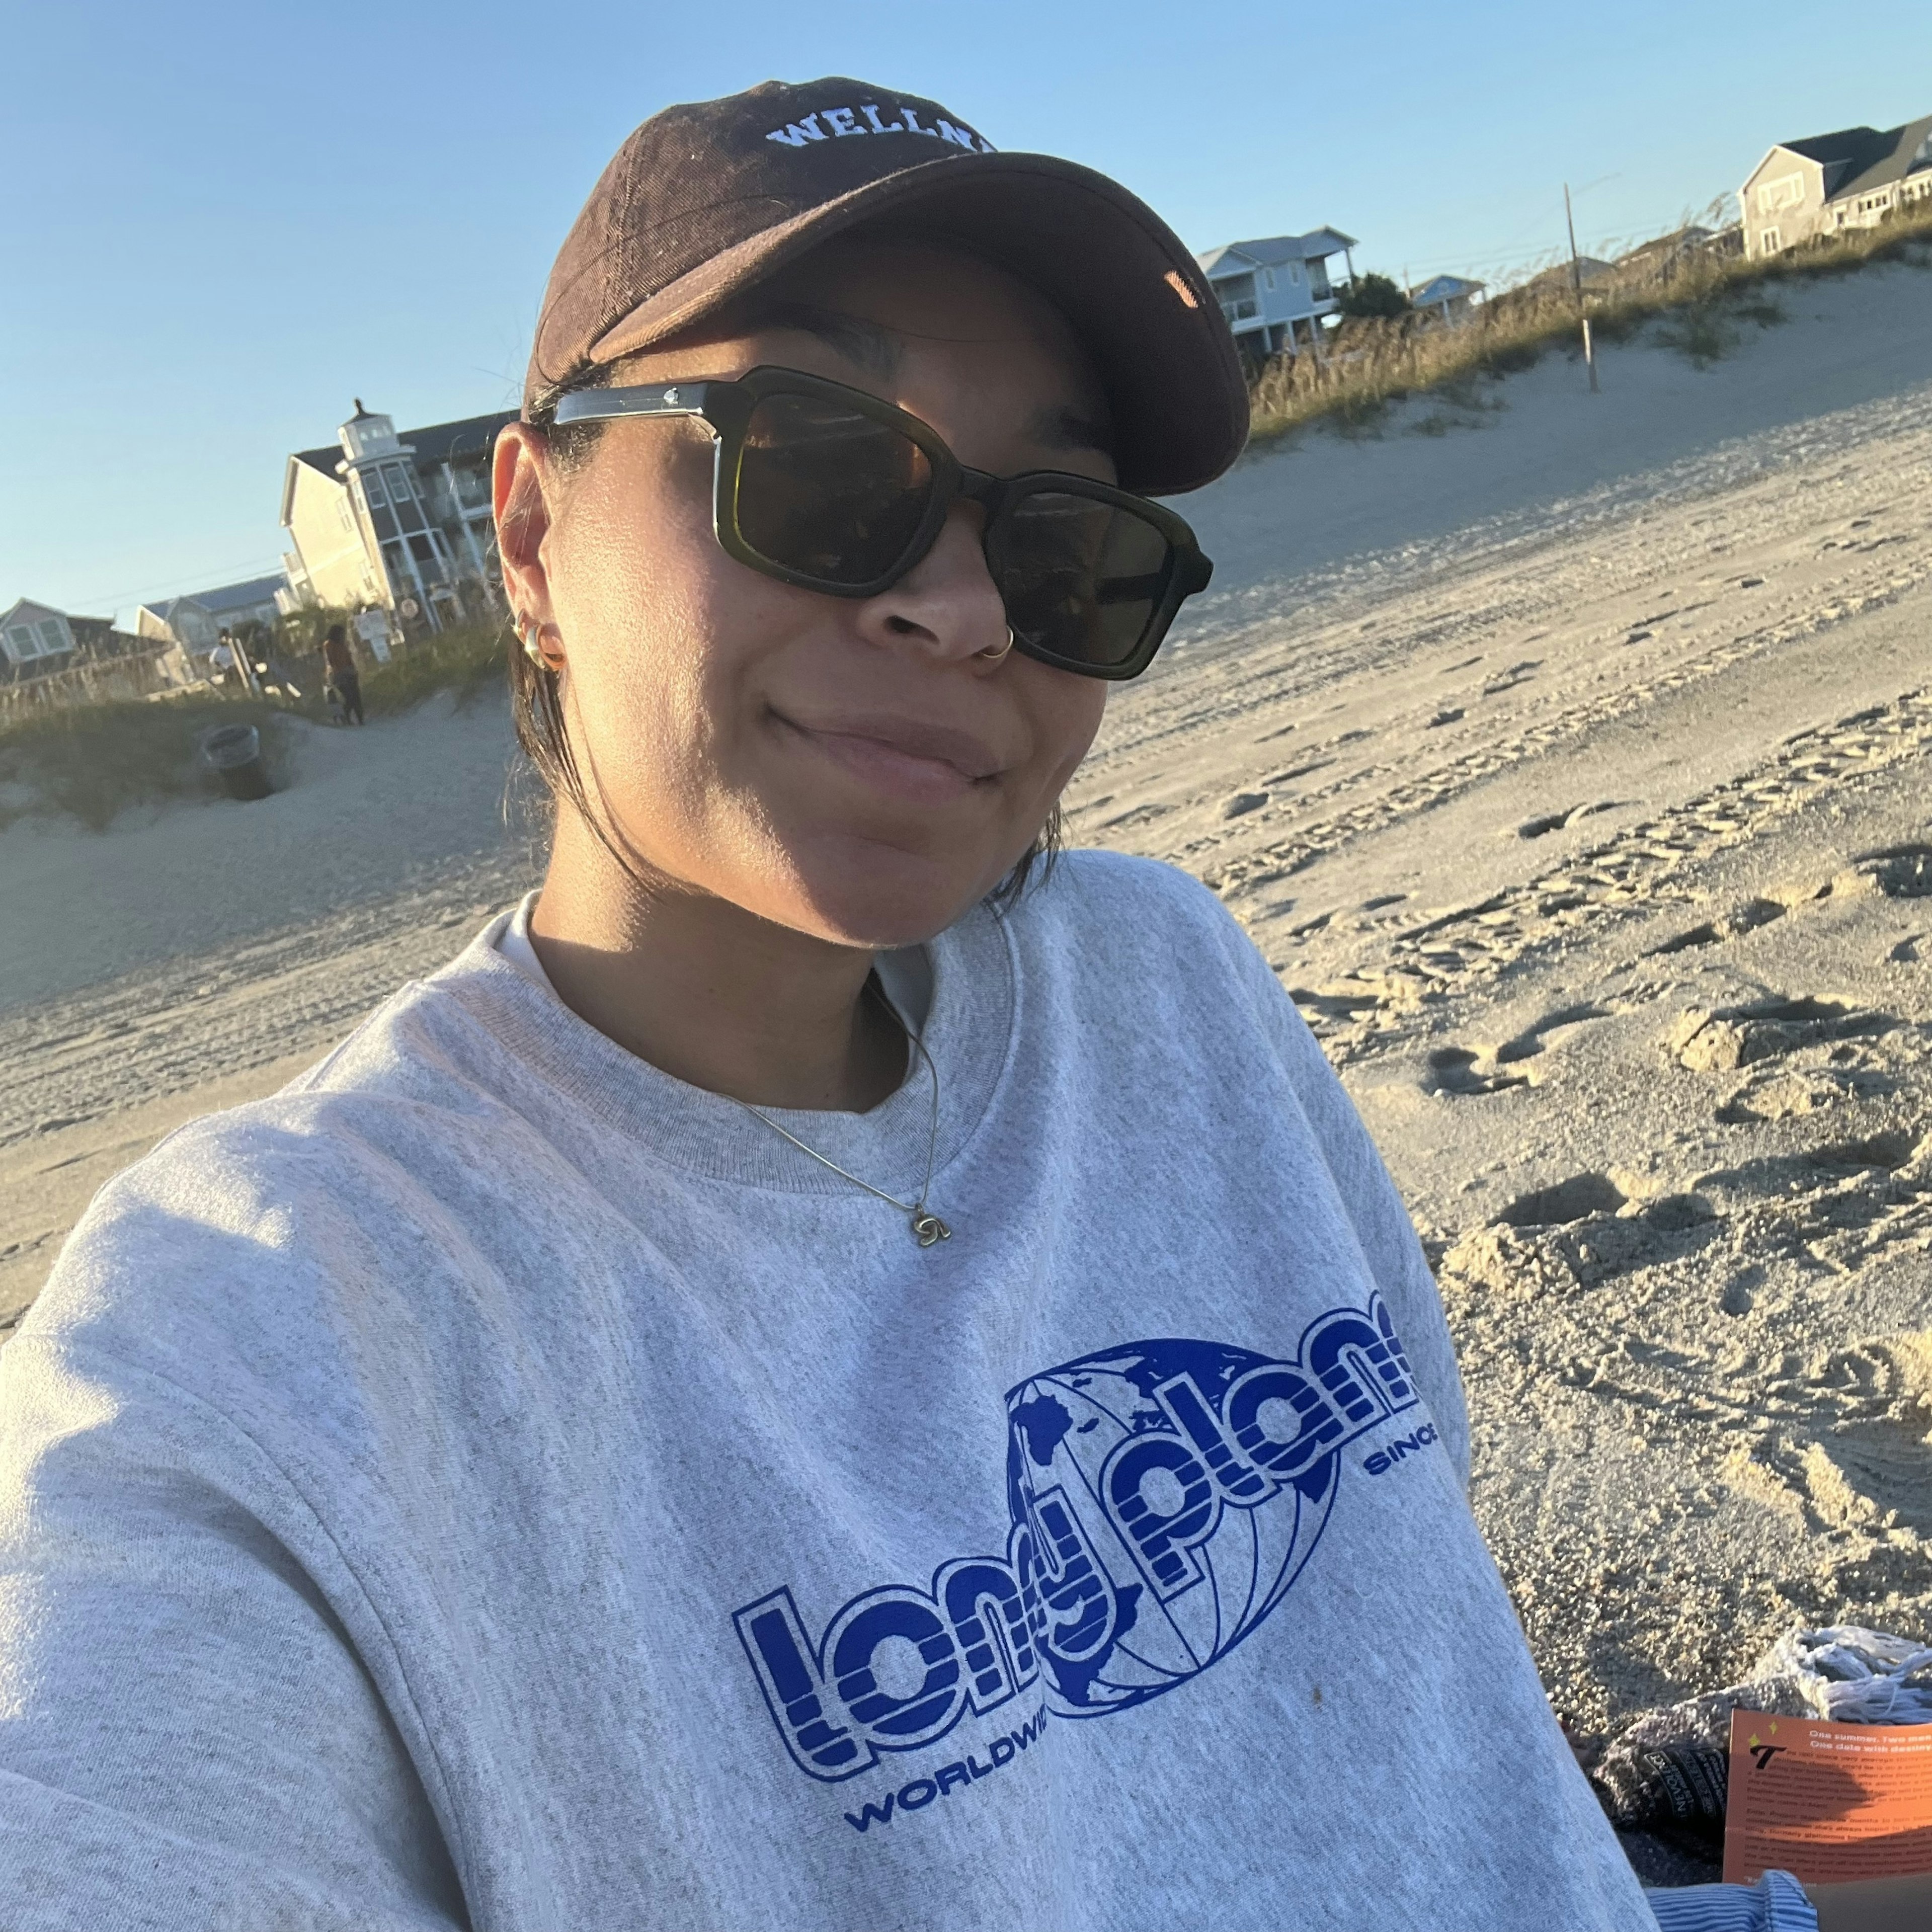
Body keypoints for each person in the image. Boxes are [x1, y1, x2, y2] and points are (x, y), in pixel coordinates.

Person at [0, 76, 1906, 1932]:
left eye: (1067, 533)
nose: (969, 611)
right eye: (820, 472)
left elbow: (1419, 1657)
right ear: (530, 535)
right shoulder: (261, 1333)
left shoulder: (1165, 981)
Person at [320, 619, 364, 723]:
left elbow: (349, 659)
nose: (343, 636)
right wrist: (337, 673)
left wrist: (353, 670)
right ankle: (346, 717)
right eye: (341, 634)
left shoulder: (342, 644)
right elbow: (330, 661)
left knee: (356, 697)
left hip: (349, 673)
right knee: (350, 697)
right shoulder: (329, 645)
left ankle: (360, 719)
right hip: (339, 675)